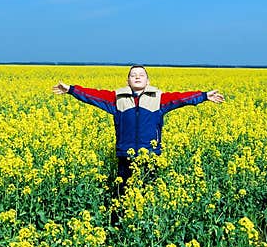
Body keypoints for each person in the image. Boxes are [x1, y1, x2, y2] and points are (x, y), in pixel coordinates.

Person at [52, 65, 225, 201]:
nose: (137, 77)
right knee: (122, 194)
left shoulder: (159, 99)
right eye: (133, 74)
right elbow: (92, 95)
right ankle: (119, 228)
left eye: (141, 75)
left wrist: (203, 96)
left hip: (150, 154)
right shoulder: (116, 99)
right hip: (125, 153)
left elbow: (181, 98)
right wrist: (71, 90)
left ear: (148, 81)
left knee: (149, 192)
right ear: (127, 81)